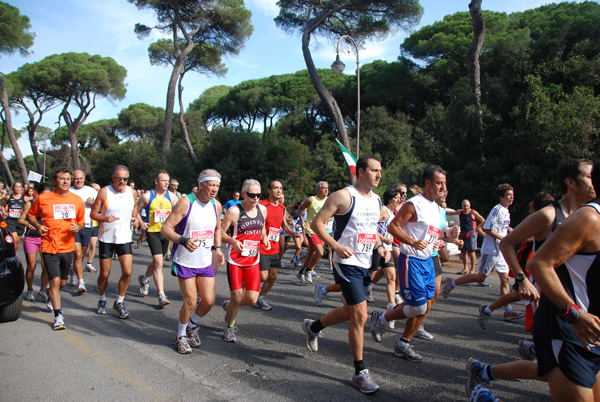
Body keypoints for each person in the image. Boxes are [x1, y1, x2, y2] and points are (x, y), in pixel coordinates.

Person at [302, 155, 390, 394]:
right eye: (374, 170)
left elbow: (370, 228)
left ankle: (314, 327)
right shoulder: (343, 195)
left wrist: (380, 246)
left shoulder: (376, 200)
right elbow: (318, 223)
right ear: (360, 172)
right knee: (360, 315)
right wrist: (335, 246)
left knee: (349, 310)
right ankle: (359, 372)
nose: (379, 175)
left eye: (380, 171)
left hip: (364, 261)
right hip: (345, 261)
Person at [524, 159, 600, 401]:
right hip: (568, 330)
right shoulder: (589, 218)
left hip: (594, 332)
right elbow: (538, 263)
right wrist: (574, 313)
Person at [370, 165, 459, 362]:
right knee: (418, 308)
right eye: (439, 183)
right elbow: (393, 227)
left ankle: (403, 344)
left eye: (444, 183)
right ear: (428, 183)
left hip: (428, 260)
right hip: (411, 260)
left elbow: (432, 233)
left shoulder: (436, 207)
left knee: (426, 305)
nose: (443, 187)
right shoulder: (413, 204)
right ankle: (381, 318)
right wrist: (412, 242)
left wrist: (447, 235)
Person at [161, 169, 225, 354]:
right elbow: (166, 229)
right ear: (202, 184)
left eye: (218, 186)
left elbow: (217, 229)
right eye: (212, 185)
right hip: (184, 260)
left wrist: (218, 248)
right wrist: (183, 240)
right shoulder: (186, 202)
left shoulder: (216, 205)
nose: (215, 189)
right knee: (190, 300)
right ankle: (180, 335)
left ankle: (191, 325)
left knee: (209, 301)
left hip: (204, 260)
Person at [26, 168, 85, 330]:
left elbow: (81, 222)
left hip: (67, 246)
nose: (66, 181)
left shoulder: (77, 200)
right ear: (54, 180)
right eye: (62, 178)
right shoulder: (44, 198)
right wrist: (38, 226)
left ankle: (52, 295)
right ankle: (58, 315)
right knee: (54, 280)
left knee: (63, 282)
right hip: (49, 245)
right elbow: (31, 215)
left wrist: (77, 227)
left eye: (68, 178)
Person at [443, 184, 515, 305]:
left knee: (505, 279)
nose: (512, 198)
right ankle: (452, 283)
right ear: (501, 196)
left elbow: (504, 228)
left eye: (512, 195)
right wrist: (502, 238)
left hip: (501, 251)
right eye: (509, 195)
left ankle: (508, 310)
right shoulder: (496, 210)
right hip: (491, 250)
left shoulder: (506, 211)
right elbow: (487, 228)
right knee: (480, 277)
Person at [221, 179, 269, 342]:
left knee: (252, 299)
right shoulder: (234, 211)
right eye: (251, 195)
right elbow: (220, 233)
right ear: (243, 194)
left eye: (258, 195)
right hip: (235, 260)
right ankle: (229, 327)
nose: (255, 198)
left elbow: (262, 227)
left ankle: (230, 306)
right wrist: (233, 242)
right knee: (236, 295)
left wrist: (265, 238)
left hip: (253, 260)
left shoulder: (262, 209)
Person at [90, 165, 138, 319]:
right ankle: (102, 299)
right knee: (104, 274)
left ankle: (119, 301)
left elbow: (135, 208)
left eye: (125, 179)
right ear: (113, 178)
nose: (122, 182)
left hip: (124, 237)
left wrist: (135, 218)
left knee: (128, 271)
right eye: (119, 178)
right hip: (107, 238)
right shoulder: (104, 192)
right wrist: (104, 218)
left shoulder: (132, 192)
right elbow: (93, 214)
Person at [135, 170, 178, 308]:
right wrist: (141, 222)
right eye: (163, 180)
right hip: (152, 232)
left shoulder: (172, 197)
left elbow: (179, 213)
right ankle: (161, 295)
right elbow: (135, 210)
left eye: (168, 180)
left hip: (166, 233)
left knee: (156, 261)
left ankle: (144, 278)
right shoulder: (147, 197)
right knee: (159, 262)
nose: (166, 183)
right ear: (156, 181)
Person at [254, 180, 294, 310]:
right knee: (264, 276)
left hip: (274, 247)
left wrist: (293, 233)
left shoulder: (282, 208)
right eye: (276, 188)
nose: (279, 190)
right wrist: (263, 236)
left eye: (280, 188)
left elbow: (284, 225)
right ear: (269, 191)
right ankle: (248, 281)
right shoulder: (262, 205)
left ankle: (261, 298)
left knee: (273, 276)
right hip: (261, 246)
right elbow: (257, 224)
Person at [19, 183, 52, 306]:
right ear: (38, 194)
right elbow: (21, 219)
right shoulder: (30, 203)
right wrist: (27, 224)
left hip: (46, 239)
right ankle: (30, 289)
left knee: (46, 267)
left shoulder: (52, 205)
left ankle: (42, 290)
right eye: (43, 195)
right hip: (31, 238)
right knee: (31, 266)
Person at [68, 170, 98, 293]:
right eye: (76, 179)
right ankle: (81, 282)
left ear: (84, 178)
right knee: (77, 254)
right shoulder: (68, 191)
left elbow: (101, 206)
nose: (78, 181)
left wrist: (93, 203)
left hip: (87, 226)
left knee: (82, 255)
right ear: (72, 179)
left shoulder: (91, 191)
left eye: (80, 178)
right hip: (73, 227)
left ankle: (74, 270)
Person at [296, 181, 329, 283]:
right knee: (320, 252)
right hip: (311, 230)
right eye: (324, 188)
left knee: (311, 254)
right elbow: (300, 209)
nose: (326, 190)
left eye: (327, 187)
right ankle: (309, 270)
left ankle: (301, 272)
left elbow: (333, 212)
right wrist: (302, 222)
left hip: (322, 231)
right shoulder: (311, 200)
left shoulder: (329, 200)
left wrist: (329, 218)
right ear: (318, 189)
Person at [457, 200, 485, 275]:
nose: (466, 207)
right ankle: (465, 268)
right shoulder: (460, 212)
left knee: (472, 251)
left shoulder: (473, 212)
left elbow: (482, 220)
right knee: (463, 251)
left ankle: (472, 269)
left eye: (467, 206)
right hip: (462, 233)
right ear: (462, 206)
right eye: (464, 206)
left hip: (471, 233)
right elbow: (450, 212)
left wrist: (478, 228)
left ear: (469, 205)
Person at [2, 181, 26, 251]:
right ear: (14, 188)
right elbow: (2, 206)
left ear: (21, 188)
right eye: (16, 187)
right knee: (14, 239)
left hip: (20, 221)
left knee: (18, 241)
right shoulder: (8, 197)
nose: (17, 188)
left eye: (19, 187)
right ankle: (12, 255)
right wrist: (4, 212)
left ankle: (14, 254)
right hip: (10, 221)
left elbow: (28, 208)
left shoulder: (25, 198)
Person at [85, 183, 100, 273]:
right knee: (83, 247)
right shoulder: (85, 196)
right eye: (96, 190)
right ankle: (73, 264)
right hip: (85, 224)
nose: (97, 191)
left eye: (98, 190)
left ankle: (89, 263)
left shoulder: (99, 198)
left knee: (93, 245)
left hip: (95, 224)